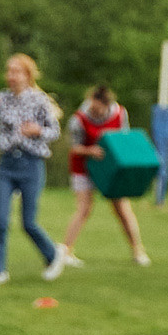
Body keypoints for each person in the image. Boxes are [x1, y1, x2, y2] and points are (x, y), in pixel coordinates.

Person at [0, 53, 64, 286]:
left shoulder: (39, 101)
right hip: (7, 165)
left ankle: (53, 255)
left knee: (28, 223)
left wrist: (37, 131)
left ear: (27, 75)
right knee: (0, 220)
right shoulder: (1, 99)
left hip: (31, 164)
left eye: (16, 71)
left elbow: (54, 131)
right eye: (8, 71)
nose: (11, 76)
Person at [62, 85, 150, 266]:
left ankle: (138, 250)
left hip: (111, 169)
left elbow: (123, 140)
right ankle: (66, 251)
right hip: (83, 167)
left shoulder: (120, 114)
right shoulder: (78, 119)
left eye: (99, 109)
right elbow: (74, 148)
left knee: (122, 209)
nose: (96, 112)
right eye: (93, 108)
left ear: (107, 105)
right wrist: (90, 151)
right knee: (84, 209)